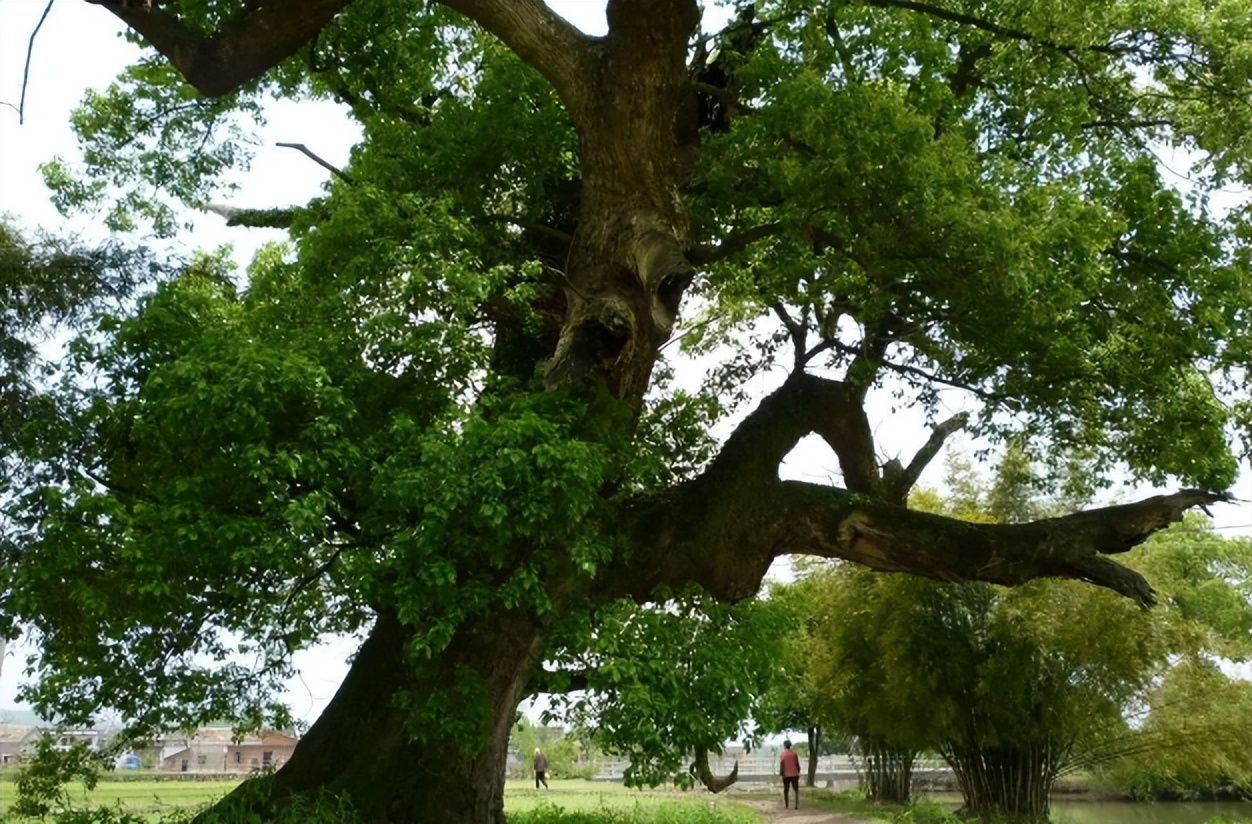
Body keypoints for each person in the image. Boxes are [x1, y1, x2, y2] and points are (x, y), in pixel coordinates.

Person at [779, 739, 802, 809]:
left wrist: (781, 773)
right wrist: (798, 771)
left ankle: (786, 805)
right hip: (794, 774)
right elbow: (797, 764)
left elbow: (782, 765)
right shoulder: (794, 754)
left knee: (786, 789)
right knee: (796, 789)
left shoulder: (782, 754)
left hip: (786, 774)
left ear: (784, 746)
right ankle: (796, 804)